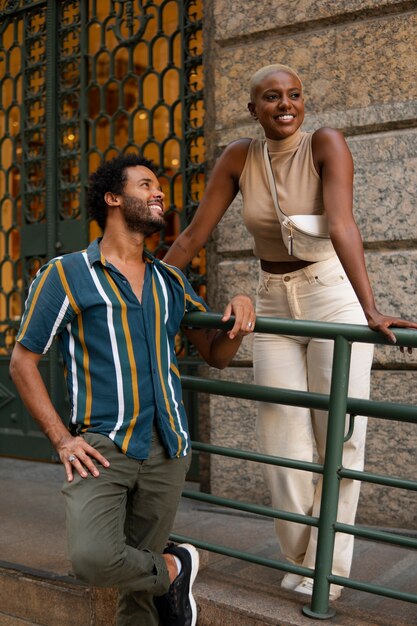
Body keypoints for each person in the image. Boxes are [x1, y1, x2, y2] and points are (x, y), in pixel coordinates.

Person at [163, 63, 417, 601]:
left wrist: (370, 308)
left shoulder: (325, 143)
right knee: (280, 441)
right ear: (252, 108)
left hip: (332, 297)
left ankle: (327, 570)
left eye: (294, 95)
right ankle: (306, 558)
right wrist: (146, 289)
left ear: (304, 102)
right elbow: (192, 235)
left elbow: (344, 222)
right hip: (275, 300)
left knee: (340, 439)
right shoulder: (239, 157)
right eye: (271, 97)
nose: (285, 104)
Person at [9, 153, 254, 626]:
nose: (158, 192)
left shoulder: (171, 280)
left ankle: (159, 577)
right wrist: (62, 439)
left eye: (158, 186)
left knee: (136, 600)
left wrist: (240, 312)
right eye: (146, 185)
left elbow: (216, 354)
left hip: (169, 448)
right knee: (93, 558)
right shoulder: (65, 274)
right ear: (114, 198)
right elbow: (22, 362)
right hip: (103, 447)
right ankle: (172, 566)